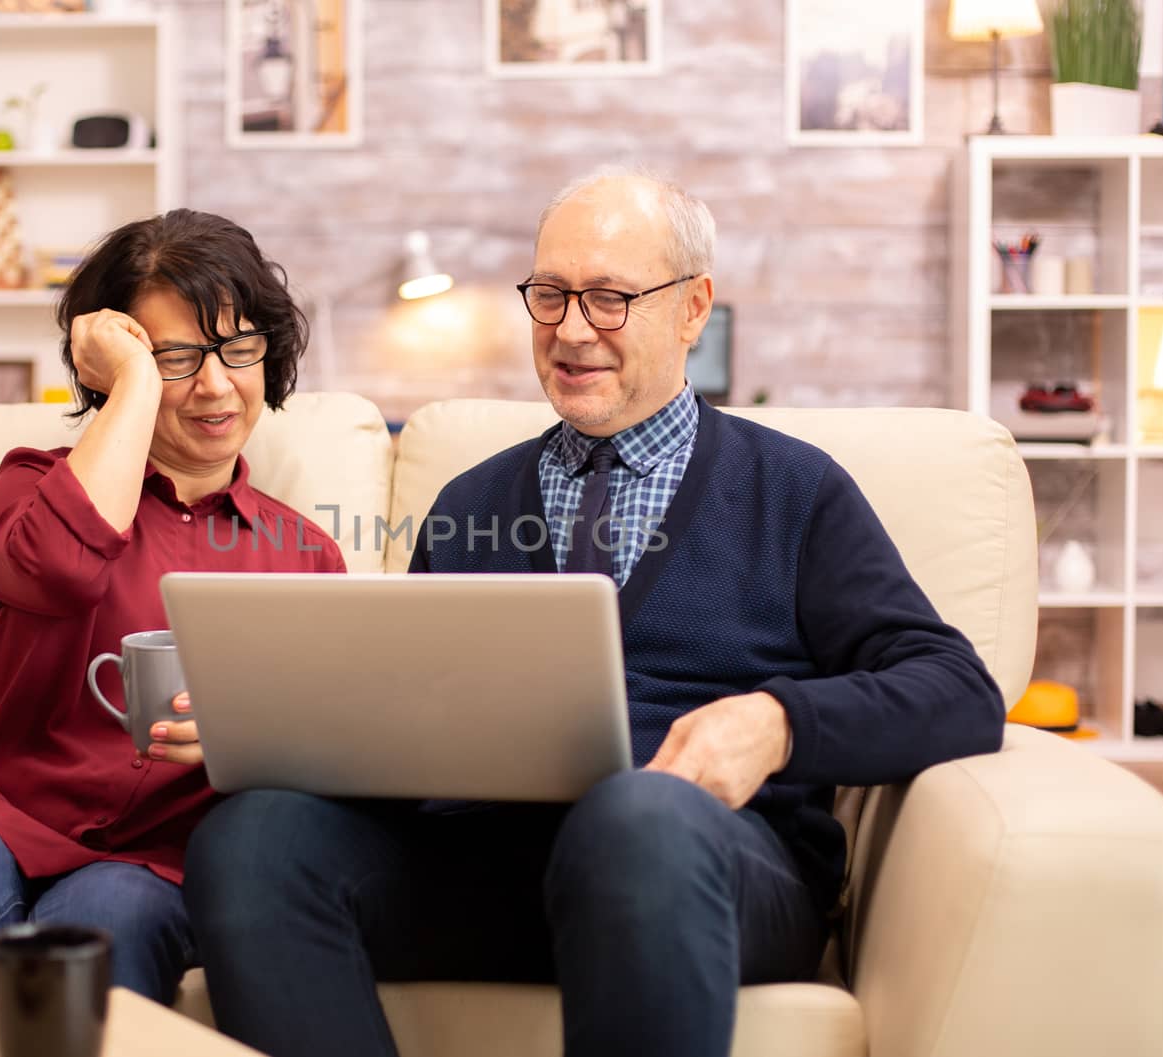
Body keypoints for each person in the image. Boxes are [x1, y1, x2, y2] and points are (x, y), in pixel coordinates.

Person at [182, 167, 1005, 1057]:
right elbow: (407, 738)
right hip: (489, 866)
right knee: (250, 838)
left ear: (693, 308)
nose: (572, 331)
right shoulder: (470, 503)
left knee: (634, 816)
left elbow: (958, 689)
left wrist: (777, 724)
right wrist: (290, 728)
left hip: (699, 865)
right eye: (550, 296)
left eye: (610, 298)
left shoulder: (794, 492)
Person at [0, 209, 345, 1026]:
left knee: (111, 917)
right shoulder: (31, 486)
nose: (215, 385)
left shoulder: (301, 553)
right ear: (113, 372)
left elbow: (320, 750)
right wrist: (132, 388)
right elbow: (59, 567)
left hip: (150, 857)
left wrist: (248, 734)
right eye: (174, 357)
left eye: (238, 348)